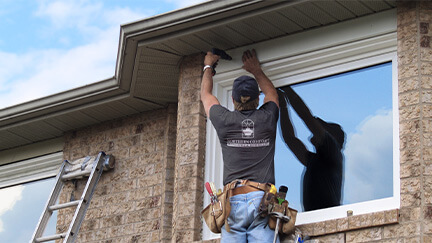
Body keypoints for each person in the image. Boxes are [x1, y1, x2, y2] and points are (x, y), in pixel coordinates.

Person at [200, 49, 280, 242]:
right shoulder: (267, 117)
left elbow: (205, 94)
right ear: (257, 99)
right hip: (262, 198)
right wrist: (256, 70)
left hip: (231, 202)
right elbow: (272, 94)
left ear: (233, 100)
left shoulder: (224, 120)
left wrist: (208, 64)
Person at [278, 86, 345, 211]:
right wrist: (283, 107)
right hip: (315, 217)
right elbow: (289, 138)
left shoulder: (333, 150)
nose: (316, 130)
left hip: (326, 218)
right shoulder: (317, 161)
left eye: (322, 128)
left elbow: (306, 117)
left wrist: (286, 88)